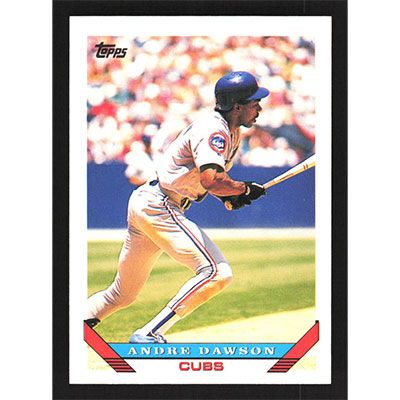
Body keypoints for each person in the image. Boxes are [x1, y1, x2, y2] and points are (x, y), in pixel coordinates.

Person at [85, 71, 270, 343]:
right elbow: (211, 179)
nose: (259, 108)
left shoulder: (231, 131)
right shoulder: (215, 130)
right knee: (217, 272)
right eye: (254, 103)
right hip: (159, 204)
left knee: (122, 294)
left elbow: (207, 179)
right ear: (237, 106)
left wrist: (228, 196)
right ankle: (149, 333)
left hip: (152, 201)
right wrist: (243, 189)